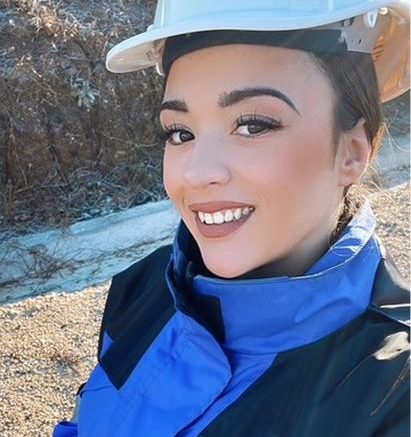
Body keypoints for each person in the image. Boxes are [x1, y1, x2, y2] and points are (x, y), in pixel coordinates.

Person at [53, 1, 410, 436]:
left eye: (253, 126)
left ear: (352, 152)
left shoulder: (394, 391)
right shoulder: (144, 286)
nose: (196, 172)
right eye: (180, 133)